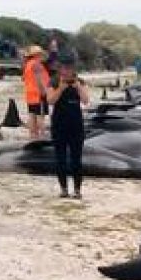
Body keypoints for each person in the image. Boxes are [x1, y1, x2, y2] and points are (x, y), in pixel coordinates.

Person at [46, 56, 91, 199]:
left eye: (69, 69)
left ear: (74, 70)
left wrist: (78, 88)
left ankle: (77, 190)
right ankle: (64, 189)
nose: (66, 72)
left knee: (76, 159)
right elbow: (50, 101)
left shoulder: (80, 82)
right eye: (63, 68)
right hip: (59, 125)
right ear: (59, 69)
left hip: (76, 125)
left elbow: (85, 101)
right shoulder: (53, 82)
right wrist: (60, 88)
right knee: (60, 159)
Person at [21, 45, 50, 139]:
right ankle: (42, 135)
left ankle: (32, 134)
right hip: (38, 93)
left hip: (30, 93)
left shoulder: (28, 64)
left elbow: (24, 79)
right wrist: (44, 91)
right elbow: (39, 79)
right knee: (40, 115)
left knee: (32, 114)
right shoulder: (36, 64)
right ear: (37, 55)